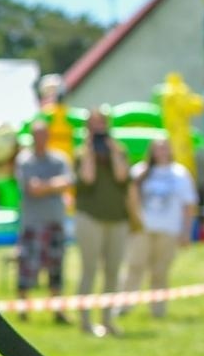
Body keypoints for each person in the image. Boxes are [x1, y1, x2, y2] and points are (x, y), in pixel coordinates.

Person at [124, 135, 197, 320]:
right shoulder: (140, 171)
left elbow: (189, 206)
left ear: (170, 150)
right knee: (135, 266)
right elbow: (129, 200)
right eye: (158, 147)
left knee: (160, 271)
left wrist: (186, 232)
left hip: (169, 230)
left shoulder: (180, 173)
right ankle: (124, 305)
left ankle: (158, 310)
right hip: (142, 229)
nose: (161, 151)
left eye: (165, 147)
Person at [73, 106, 131, 337]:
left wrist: (113, 152)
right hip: (90, 218)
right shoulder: (80, 152)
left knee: (113, 271)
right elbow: (87, 178)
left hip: (117, 219)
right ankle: (86, 322)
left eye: (102, 124)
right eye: (94, 125)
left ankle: (108, 321)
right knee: (89, 270)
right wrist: (89, 151)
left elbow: (122, 176)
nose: (99, 128)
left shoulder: (120, 150)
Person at [14, 116, 73, 322]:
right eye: (36, 135)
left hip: (55, 223)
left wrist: (44, 185)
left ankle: (58, 311)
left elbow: (66, 182)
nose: (40, 138)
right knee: (27, 268)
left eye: (43, 134)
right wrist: (53, 186)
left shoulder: (60, 158)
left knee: (56, 269)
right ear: (32, 137)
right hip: (32, 224)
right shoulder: (24, 160)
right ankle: (23, 309)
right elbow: (32, 189)